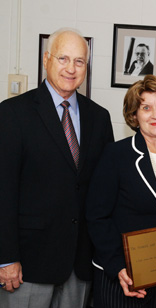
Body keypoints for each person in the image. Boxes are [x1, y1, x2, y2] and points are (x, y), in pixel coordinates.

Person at [0, 28, 114, 308]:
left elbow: (105, 193)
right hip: (27, 265)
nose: (71, 69)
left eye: (79, 61)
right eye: (63, 58)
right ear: (46, 59)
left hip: (80, 264)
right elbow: (3, 190)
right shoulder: (13, 113)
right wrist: (6, 257)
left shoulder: (99, 118)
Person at [86, 74, 156, 308]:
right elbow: (97, 216)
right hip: (121, 277)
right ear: (134, 115)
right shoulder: (116, 155)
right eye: (146, 107)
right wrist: (117, 267)